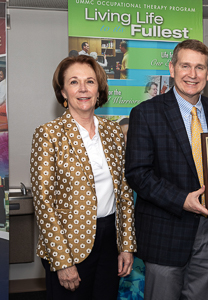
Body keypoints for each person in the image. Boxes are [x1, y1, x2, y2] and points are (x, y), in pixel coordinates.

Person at [125, 39, 208, 300]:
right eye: (185, 66)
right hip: (165, 231)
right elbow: (138, 173)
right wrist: (182, 200)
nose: (192, 74)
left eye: (199, 67)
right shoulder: (145, 113)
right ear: (172, 68)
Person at [30, 55, 136, 299]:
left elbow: (124, 192)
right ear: (63, 92)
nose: (83, 89)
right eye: (74, 82)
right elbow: (44, 203)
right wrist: (61, 261)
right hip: (68, 244)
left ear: (98, 88)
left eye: (89, 81)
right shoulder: (49, 134)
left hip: (110, 240)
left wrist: (127, 246)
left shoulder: (112, 132)